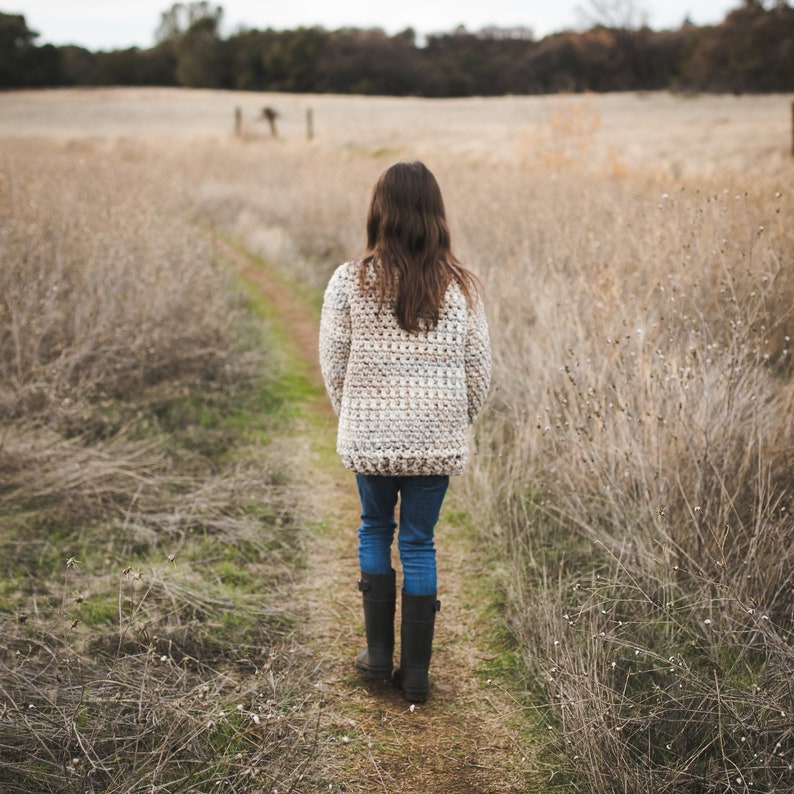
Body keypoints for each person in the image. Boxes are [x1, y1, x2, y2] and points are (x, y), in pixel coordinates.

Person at [319, 161, 491, 703]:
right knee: (418, 543)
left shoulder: (351, 280)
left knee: (374, 529)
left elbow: (333, 364)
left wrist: (358, 415)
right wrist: (448, 420)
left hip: (370, 440)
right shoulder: (461, 286)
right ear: (435, 215)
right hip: (436, 442)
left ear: (380, 212)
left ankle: (376, 659)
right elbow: (479, 372)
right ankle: (414, 674)